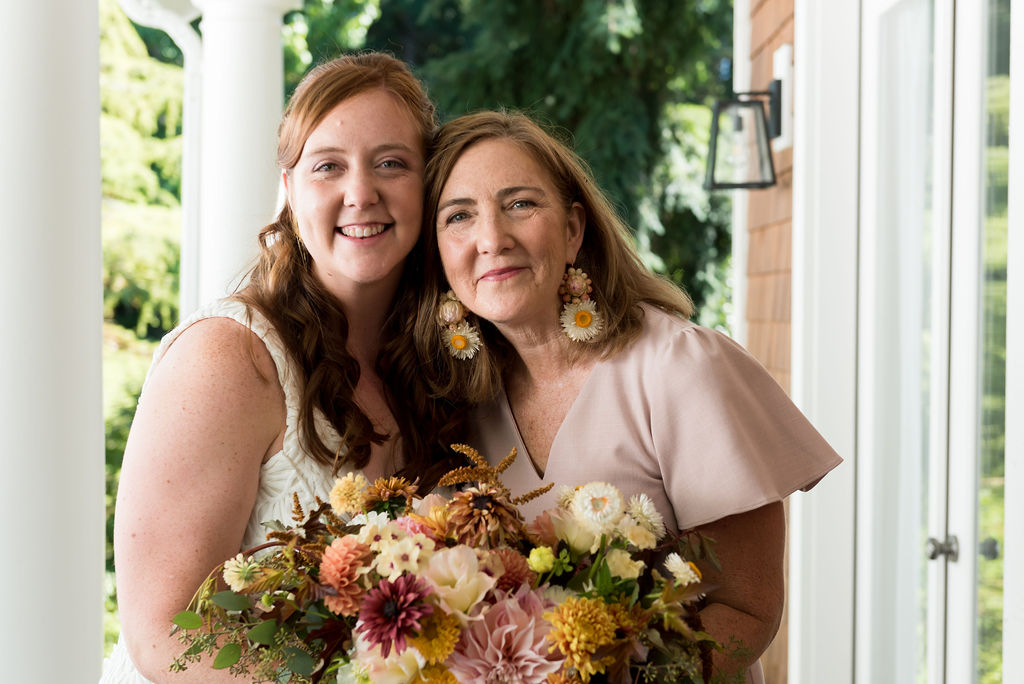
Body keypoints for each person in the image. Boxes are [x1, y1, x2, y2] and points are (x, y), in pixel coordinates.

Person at [414, 110, 842, 681]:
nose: (491, 239)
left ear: (573, 230)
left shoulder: (679, 368)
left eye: (520, 204)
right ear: (439, 254)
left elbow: (750, 610)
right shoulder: (461, 401)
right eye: (459, 216)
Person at [103, 53, 462, 683]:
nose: (362, 193)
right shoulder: (230, 356)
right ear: (291, 192)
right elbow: (160, 631)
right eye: (329, 167)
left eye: (391, 164)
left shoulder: (437, 364)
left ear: (426, 186)